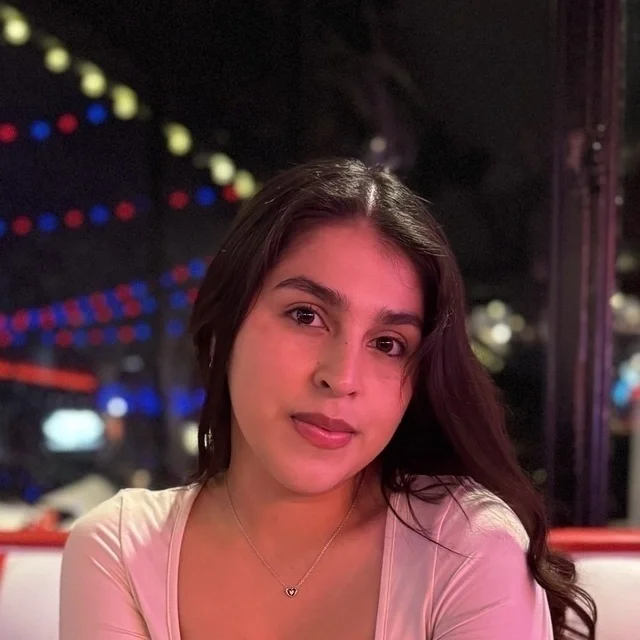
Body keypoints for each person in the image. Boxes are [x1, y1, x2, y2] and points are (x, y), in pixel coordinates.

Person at [59, 158, 596, 639]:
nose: (342, 377)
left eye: (388, 344)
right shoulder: (121, 549)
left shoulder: (466, 545)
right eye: (306, 315)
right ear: (225, 327)